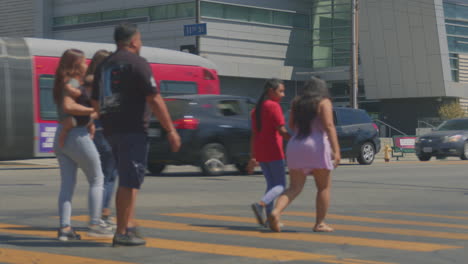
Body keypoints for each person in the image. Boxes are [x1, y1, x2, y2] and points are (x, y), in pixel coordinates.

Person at [91, 23, 181, 247]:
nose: (141, 44)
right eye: (140, 40)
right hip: (132, 129)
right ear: (132, 41)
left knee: (127, 178)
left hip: (110, 130)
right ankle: (122, 232)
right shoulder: (137, 63)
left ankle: (128, 225)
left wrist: (105, 119)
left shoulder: (104, 65)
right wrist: (170, 129)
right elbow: (154, 98)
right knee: (130, 181)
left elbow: (95, 101)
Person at [53, 49, 114, 241]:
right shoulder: (71, 82)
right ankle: (95, 224)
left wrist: (90, 120)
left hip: (63, 137)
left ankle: (65, 228)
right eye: (83, 61)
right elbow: (68, 107)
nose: (86, 63)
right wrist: (93, 110)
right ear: (75, 64)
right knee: (98, 178)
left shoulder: (64, 82)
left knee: (67, 185)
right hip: (76, 137)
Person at [268, 77, 341, 233]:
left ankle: (276, 212)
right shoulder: (324, 102)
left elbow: (292, 125)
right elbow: (329, 126)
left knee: (294, 187)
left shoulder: (297, 103)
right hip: (317, 146)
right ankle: (319, 223)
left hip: (295, 145)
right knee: (323, 187)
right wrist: (336, 150)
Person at [247, 78, 290, 227]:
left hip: (262, 152)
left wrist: (253, 156)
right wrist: (295, 139)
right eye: (281, 91)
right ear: (271, 91)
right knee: (281, 186)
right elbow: (282, 130)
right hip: (274, 151)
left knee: (271, 185)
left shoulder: (256, 110)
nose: (283, 94)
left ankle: (270, 219)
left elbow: (254, 134)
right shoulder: (274, 106)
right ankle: (261, 205)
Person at [83, 50, 117, 227]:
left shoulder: (86, 81)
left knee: (98, 177)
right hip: (107, 131)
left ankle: (98, 214)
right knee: (109, 176)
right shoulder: (107, 83)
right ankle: (103, 214)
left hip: (91, 132)